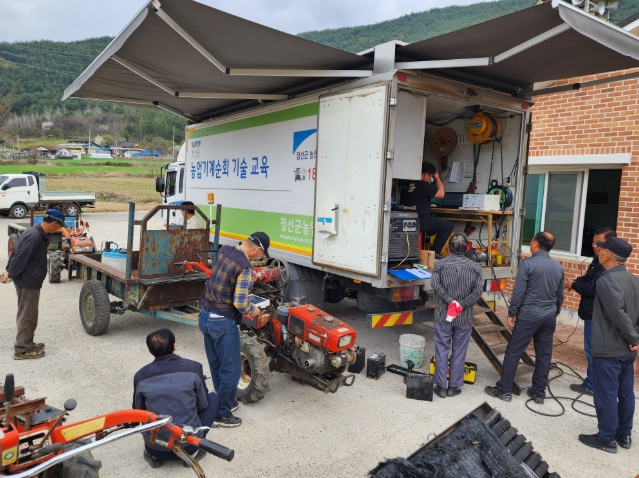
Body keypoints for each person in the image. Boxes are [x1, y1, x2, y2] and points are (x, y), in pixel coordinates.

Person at [198, 232, 271, 428]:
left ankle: (223, 403)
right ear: (257, 249)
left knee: (217, 364)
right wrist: (255, 311)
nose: (259, 258)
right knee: (231, 369)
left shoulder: (225, 251)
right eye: (261, 254)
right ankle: (221, 414)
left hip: (205, 316)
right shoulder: (245, 268)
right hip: (222, 322)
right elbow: (240, 303)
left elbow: (223, 281)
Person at [485, 232, 564, 404]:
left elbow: (519, 291)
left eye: (532, 240)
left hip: (529, 315)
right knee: (544, 354)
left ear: (536, 243)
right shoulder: (558, 267)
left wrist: (512, 312)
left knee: (514, 351)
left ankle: (504, 390)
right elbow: (560, 295)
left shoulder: (527, 264)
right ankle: (539, 393)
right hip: (549, 316)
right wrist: (555, 312)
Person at [578, 237, 639, 454]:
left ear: (608, 255)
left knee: (606, 392)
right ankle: (624, 434)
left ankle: (606, 438)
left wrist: (634, 338)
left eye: (602, 249)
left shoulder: (606, 281)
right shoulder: (633, 279)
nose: (599, 251)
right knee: (625, 391)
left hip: (609, 348)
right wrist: (635, 338)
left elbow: (618, 315)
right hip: (627, 350)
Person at [134, 328, 220, 468]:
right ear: (174, 346)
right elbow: (203, 404)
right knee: (214, 398)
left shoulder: (140, 376)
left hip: (155, 448)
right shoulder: (194, 368)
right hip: (189, 446)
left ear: (150, 351)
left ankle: (154, 458)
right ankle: (193, 455)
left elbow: (138, 411)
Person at [0, 209, 65, 360]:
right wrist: (10, 274)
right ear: (54, 223)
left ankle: (27, 342)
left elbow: (15, 252)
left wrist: (10, 272)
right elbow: (20, 258)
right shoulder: (35, 237)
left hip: (28, 280)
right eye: (60, 225)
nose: (60, 229)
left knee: (29, 314)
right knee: (27, 316)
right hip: (28, 282)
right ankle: (22, 349)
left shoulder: (34, 233)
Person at [565, 227, 616, 396]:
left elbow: (593, 288)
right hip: (594, 313)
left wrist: (574, 285)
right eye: (594, 241)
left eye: (599, 242)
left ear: (610, 243)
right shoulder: (598, 260)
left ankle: (592, 385)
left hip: (597, 315)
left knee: (593, 350)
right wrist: (574, 282)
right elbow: (588, 278)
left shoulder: (608, 265)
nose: (595, 245)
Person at [431, 234, 483, 398]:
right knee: (459, 351)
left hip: (443, 315)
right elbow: (477, 292)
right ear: (467, 248)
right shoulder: (475, 267)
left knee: (441, 349)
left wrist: (450, 302)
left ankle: (441, 387)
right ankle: (454, 387)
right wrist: (461, 304)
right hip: (464, 317)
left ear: (448, 248)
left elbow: (435, 286)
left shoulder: (440, 264)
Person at [401, 162, 453, 257]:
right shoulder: (423, 185)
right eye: (430, 176)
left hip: (407, 220)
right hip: (421, 221)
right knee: (448, 226)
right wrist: (437, 178)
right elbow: (441, 194)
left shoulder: (407, 183)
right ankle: (434, 253)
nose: (430, 179)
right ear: (425, 174)